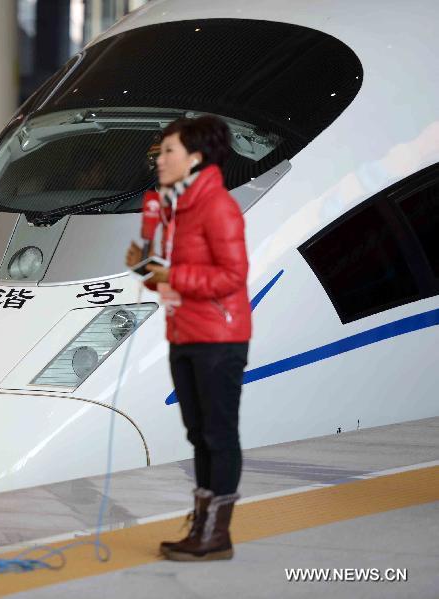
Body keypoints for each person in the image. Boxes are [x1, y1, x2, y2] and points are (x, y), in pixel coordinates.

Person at [126, 115, 251, 561]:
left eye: (169, 151)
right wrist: (146, 270)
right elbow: (171, 283)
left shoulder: (217, 205)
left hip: (219, 338)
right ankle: (203, 527)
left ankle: (217, 534)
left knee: (218, 435)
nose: (160, 159)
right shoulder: (177, 207)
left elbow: (232, 275)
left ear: (195, 157)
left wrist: (170, 273)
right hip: (185, 333)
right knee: (199, 435)